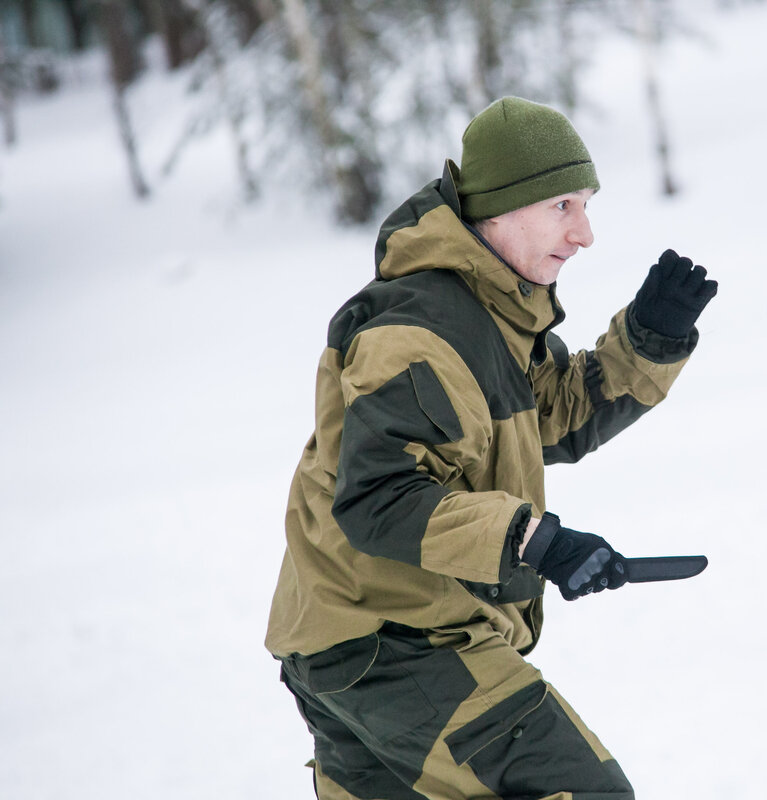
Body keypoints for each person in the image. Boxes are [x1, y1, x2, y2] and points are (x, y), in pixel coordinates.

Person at [265, 96, 718, 800]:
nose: (585, 233)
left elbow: (551, 422)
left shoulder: (489, 314)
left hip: (358, 640)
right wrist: (535, 541)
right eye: (563, 206)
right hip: (394, 640)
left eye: (587, 206)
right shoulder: (418, 332)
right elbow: (380, 498)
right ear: (501, 211)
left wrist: (647, 343)